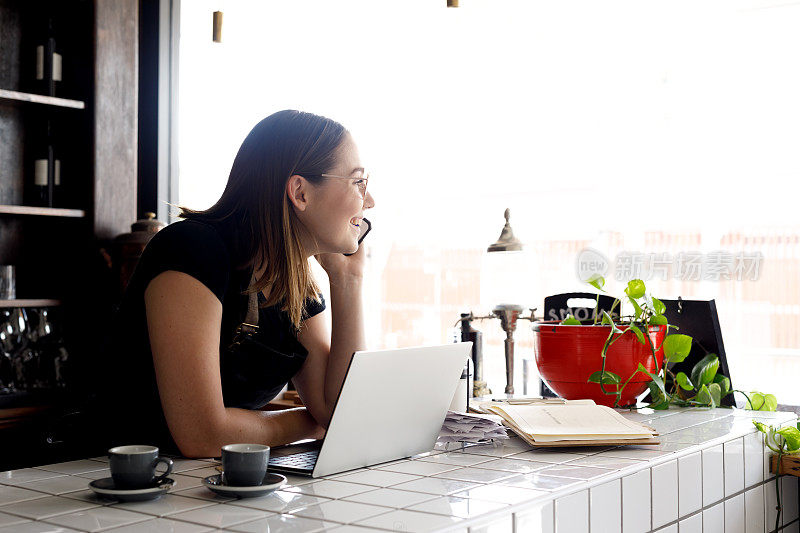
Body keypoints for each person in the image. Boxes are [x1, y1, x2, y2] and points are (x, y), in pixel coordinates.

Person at [104, 110, 375, 458]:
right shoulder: (192, 250)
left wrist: (348, 280)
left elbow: (342, 408)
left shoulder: (293, 278)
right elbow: (203, 435)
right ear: (300, 193)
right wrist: (312, 422)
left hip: (209, 487)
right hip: (110, 482)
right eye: (358, 183)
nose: (369, 202)